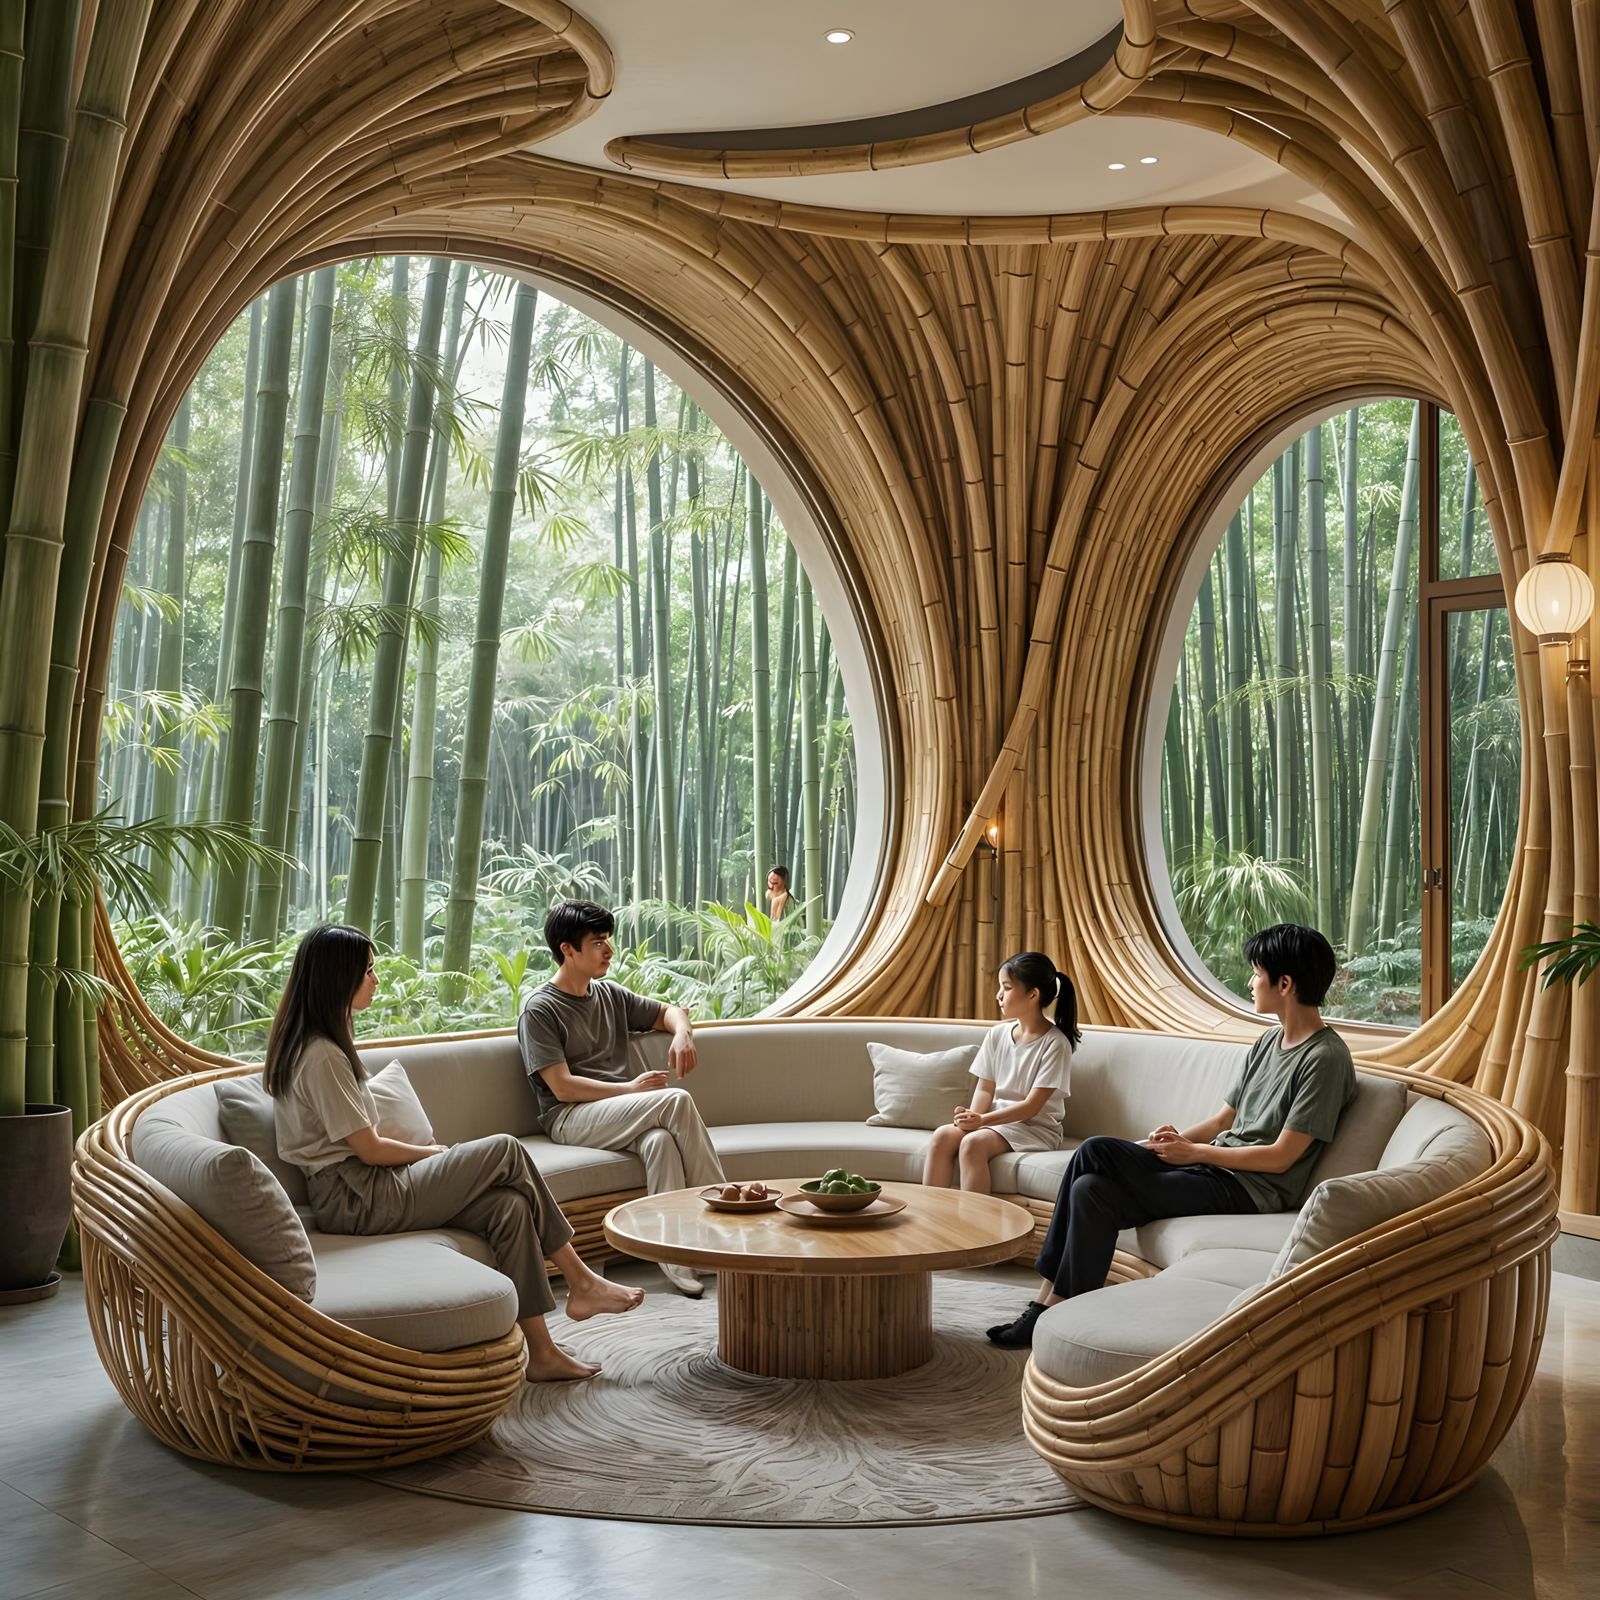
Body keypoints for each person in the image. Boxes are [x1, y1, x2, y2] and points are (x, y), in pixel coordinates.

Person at [267, 924, 642, 1383]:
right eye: (368, 970)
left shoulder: (320, 1045)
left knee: (509, 1206)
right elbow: (368, 1149)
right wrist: (432, 1153)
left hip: (362, 1188)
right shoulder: (322, 1054)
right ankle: (581, 1281)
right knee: (505, 1149)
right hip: (355, 1195)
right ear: (337, 978)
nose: (376, 979)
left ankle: (541, 1354)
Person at [987, 923, 1356, 1348]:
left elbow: (1280, 1158)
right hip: (1215, 1166)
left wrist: (1193, 1152)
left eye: (1256, 973)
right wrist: (1168, 1143)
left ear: (1285, 983)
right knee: (1092, 1184)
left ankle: (1042, 1310)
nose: (1250, 982)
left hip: (1253, 1188)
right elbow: (1221, 1122)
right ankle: (1059, 1308)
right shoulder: (1268, 1042)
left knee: (1095, 1155)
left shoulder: (1325, 1058)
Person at [519, 900, 726, 1298]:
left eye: (608, 941)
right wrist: (630, 1090)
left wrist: (683, 1033)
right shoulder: (540, 1010)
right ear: (567, 949)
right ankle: (731, 1218)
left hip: (616, 1113)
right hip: (571, 1117)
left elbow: (670, 1012)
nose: (609, 951)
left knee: (660, 1143)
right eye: (598, 943)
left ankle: (678, 1259)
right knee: (675, 1101)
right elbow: (562, 1087)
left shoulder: (609, 995)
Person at [923, 952, 1080, 1193]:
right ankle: (931, 1218)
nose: (998, 995)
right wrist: (972, 1117)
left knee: (973, 1144)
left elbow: (1031, 1106)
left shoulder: (1055, 1044)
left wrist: (982, 1121)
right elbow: (986, 1087)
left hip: (1035, 1128)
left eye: (1006, 988)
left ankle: (975, 1227)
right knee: (942, 1137)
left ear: (1033, 994)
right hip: (995, 1122)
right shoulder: (997, 1034)